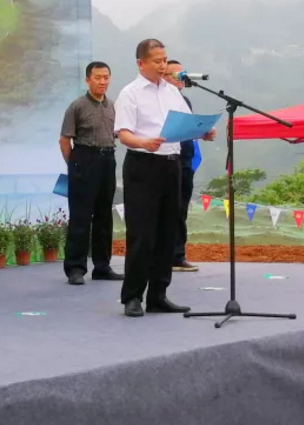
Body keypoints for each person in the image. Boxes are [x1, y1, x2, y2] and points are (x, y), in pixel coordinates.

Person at [113, 39, 193, 317]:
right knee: (142, 234)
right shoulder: (130, 93)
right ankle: (132, 296)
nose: (162, 66)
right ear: (141, 63)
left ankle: (158, 295)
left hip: (172, 165)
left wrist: (202, 131)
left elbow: (186, 123)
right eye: (157, 61)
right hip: (143, 165)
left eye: (164, 60)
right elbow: (124, 134)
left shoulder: (172, 92)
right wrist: (144, 142)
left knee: (166, 233)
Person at [59, 61, 123, 286]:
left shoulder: (113, 106)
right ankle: (75, 268)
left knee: (105, 216)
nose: (102, 82)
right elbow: (64, 140)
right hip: (84, 159)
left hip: (108, 160)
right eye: (98, 77)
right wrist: (74, 165)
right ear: (88, 80)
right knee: (81, 216)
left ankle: (102, 267)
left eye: (106, 77)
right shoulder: (77, 106)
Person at [165, 60, 215, 272]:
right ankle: (160, 256)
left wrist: (202, 133)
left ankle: (177, 255)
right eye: (175, 75)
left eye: (182, 74)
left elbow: (186, 130)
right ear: (164, 77)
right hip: (166, 159)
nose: (181, 79)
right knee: (165, 210)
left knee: (181, 209)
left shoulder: (184, 100)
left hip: (185, 160)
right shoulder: (160, 100)